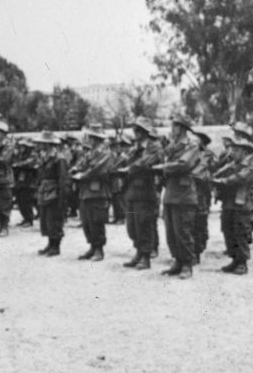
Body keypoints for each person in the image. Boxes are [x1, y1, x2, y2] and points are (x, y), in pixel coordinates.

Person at [154, 115, 200, 279]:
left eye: (174, 126)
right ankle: (178, 261)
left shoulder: (192, 145)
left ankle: (187, 264)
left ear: (181, 128)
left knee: (183, 230)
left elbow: (184, 164)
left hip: (184, 194)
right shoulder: (172, 146)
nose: (171, 130)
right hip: (171, 192)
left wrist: (164, 166)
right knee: (171, 231)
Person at [121, 117, 163, 271]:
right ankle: (139, 252)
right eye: (134, 129)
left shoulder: (154, 147)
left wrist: (130, 167)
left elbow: (144, 163)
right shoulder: (135, 147)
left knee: (144, 224)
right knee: (132, 225)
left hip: (146, 190)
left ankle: (145, 256)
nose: (135, 132)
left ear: (145, 132)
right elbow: (127, 162)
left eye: (138, 130)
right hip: (132, 190)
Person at [211, 138, 253, 275]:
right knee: (228, 230)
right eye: (232, 150)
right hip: (229, 202)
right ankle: (235, 259)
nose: (232, 153)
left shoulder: (249, 165)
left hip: (242, 203)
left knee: (240, 232)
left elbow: (240, 178)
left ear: (244, 152)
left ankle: (242, 262)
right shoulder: (232, 164)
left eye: (236, 150)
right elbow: (218, 173)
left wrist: (221, 181)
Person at [72, 126, 114, 262]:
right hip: (86, 191)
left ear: (96, 138)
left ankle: (99, 249)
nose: (89, 139)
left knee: (97, 221)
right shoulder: (90, 152)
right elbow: (81, 164)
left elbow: (97, 169)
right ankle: (92, 246)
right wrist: (75, 170)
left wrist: (81, 175)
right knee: (86, 220)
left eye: (91, 137)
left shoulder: (105, 152)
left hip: (98, 191)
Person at [35, 131, 69, 257]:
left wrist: (62, 198)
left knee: (54, 219)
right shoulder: (46, 157)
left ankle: (56, 246)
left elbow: (63, 178)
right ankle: (50, 243)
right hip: (45, 191)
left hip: (54, 192)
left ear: (48, 144)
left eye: (42, 143)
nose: (40, 145)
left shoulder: (59, 158)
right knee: (46, 219)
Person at [191, 130, 217, 264]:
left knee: (199, 222)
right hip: (190, 191)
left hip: (202, 192)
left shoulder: (209, 155)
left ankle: (198, 250)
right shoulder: (190, 152)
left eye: (197, 139)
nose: (194, 141)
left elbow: (212, 171)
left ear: (202, 141)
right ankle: (192, 250)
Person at [13, 138, 38, 227]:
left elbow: (27, 164)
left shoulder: (33, 155)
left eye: (24, 146)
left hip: (29, 181)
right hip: (21, 180)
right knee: (20, 201)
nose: (22, 148)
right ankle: (25, 218)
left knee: (26, 200)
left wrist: (18, 165)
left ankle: (29, 219)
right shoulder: (21, 155)